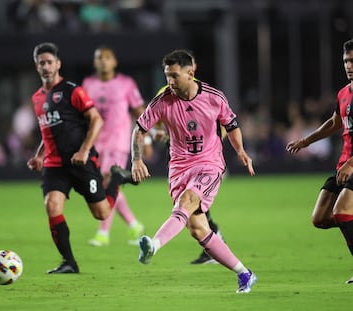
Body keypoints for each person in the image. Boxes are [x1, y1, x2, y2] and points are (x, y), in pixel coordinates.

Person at [130, 49, 257, 293]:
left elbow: (231, 124)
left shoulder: (213, 97)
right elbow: (139, 130)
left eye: (174, 76)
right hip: (179, 168)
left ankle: (153, 245)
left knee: (187, 202)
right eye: (167, 75)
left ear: (191, 73)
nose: (169, 81)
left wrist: (240, 151)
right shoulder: (163, 100)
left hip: (209, 164)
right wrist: (136, 160)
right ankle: (245, 273)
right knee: (198, 229)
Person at [27, 42, 137, 274]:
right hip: (55, 165)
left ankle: (116, 177)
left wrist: (85, 150)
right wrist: (39, 156)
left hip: (81, 161)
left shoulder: (72, 90)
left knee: (102, 212)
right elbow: (48, 131)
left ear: (58, 64)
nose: (46, 66)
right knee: (52, 205)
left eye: (49, 62)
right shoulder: (37, 98)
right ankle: (69, 262)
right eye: (41, 63)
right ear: (37, 67)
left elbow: (96, 119)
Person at [286, 38, 353, 284]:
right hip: (344, 164)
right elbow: (336, 122)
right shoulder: (344, 93)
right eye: (346, 60)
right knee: (321, 218)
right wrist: (307, 140)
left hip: (352, 165)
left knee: (343, 212)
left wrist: (351, 164)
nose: (349, 65)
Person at [155, 50, 226, 265]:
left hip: (203, 158)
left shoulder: (206, 95)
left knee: (191, 202)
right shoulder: (165, 93)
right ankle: (216, 243)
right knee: (191, 206)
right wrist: (159, 135)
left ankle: (214, 241)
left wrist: (212, 147)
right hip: (180, 159)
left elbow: (223, 124)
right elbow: (157, 124)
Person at [82, 46, 146, 247]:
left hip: (118, 141)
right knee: (107, 185)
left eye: (107, 57)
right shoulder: (88, 84)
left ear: (114, 62)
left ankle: (103, 233)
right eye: (99, 58)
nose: (103, 61)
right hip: (96, 141)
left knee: (109, 181)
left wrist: (147, 139)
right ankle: (133, 224)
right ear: (94, 62)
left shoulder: (126, 84)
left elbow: (140, 112)